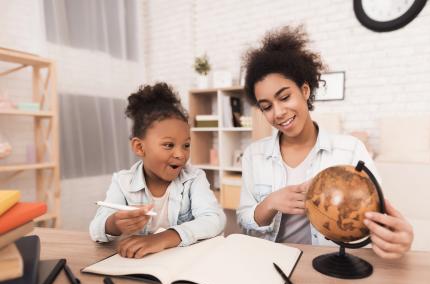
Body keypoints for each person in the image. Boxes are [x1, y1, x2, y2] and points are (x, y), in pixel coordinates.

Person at [237, 26, 413, 259]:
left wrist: (397, 236)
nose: (278, 112)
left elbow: (378, 217)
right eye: (267, 106)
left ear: (305, 90)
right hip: (271, 261)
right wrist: (269, 203)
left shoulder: (350, 151)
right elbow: (244, 223)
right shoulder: (254, 155)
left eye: (285, 97)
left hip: (328, 267)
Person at [89, 83, 226, 258]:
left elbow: (215, 220)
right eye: (169, 145)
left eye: (186, 145)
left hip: (186, 263)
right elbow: (95, 229)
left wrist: (164, 238)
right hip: (141, 265)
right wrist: (114, 224)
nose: (181, 154)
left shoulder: (194, 178)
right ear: (139, 147)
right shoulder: (123, 182)